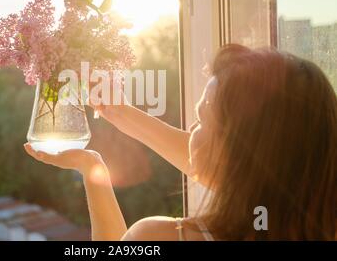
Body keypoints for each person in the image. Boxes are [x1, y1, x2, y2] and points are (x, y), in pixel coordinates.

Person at [24, 44, 337, 241]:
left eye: (200, 120)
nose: (191, 129)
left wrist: (92, 169)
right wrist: (122, 114)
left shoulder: (160, 236)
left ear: (237, 153)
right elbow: (220, 166)